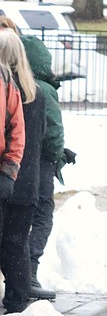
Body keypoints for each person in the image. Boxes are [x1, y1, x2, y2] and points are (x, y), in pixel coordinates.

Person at [0, 16, 69, 301]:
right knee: (16, 242)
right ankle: (20, 294)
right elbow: (46, 136)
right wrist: (56, 158)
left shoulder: (11, 89)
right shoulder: (36, 92)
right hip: (27, 177)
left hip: (8, 174)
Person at [0, 31, 34, 315]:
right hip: (17, 179)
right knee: (14, 244)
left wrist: (8, 172)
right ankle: (17, 299)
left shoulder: (8, 83)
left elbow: (17, 132)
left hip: (9, 177)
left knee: (11, 243)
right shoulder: (17, 84)